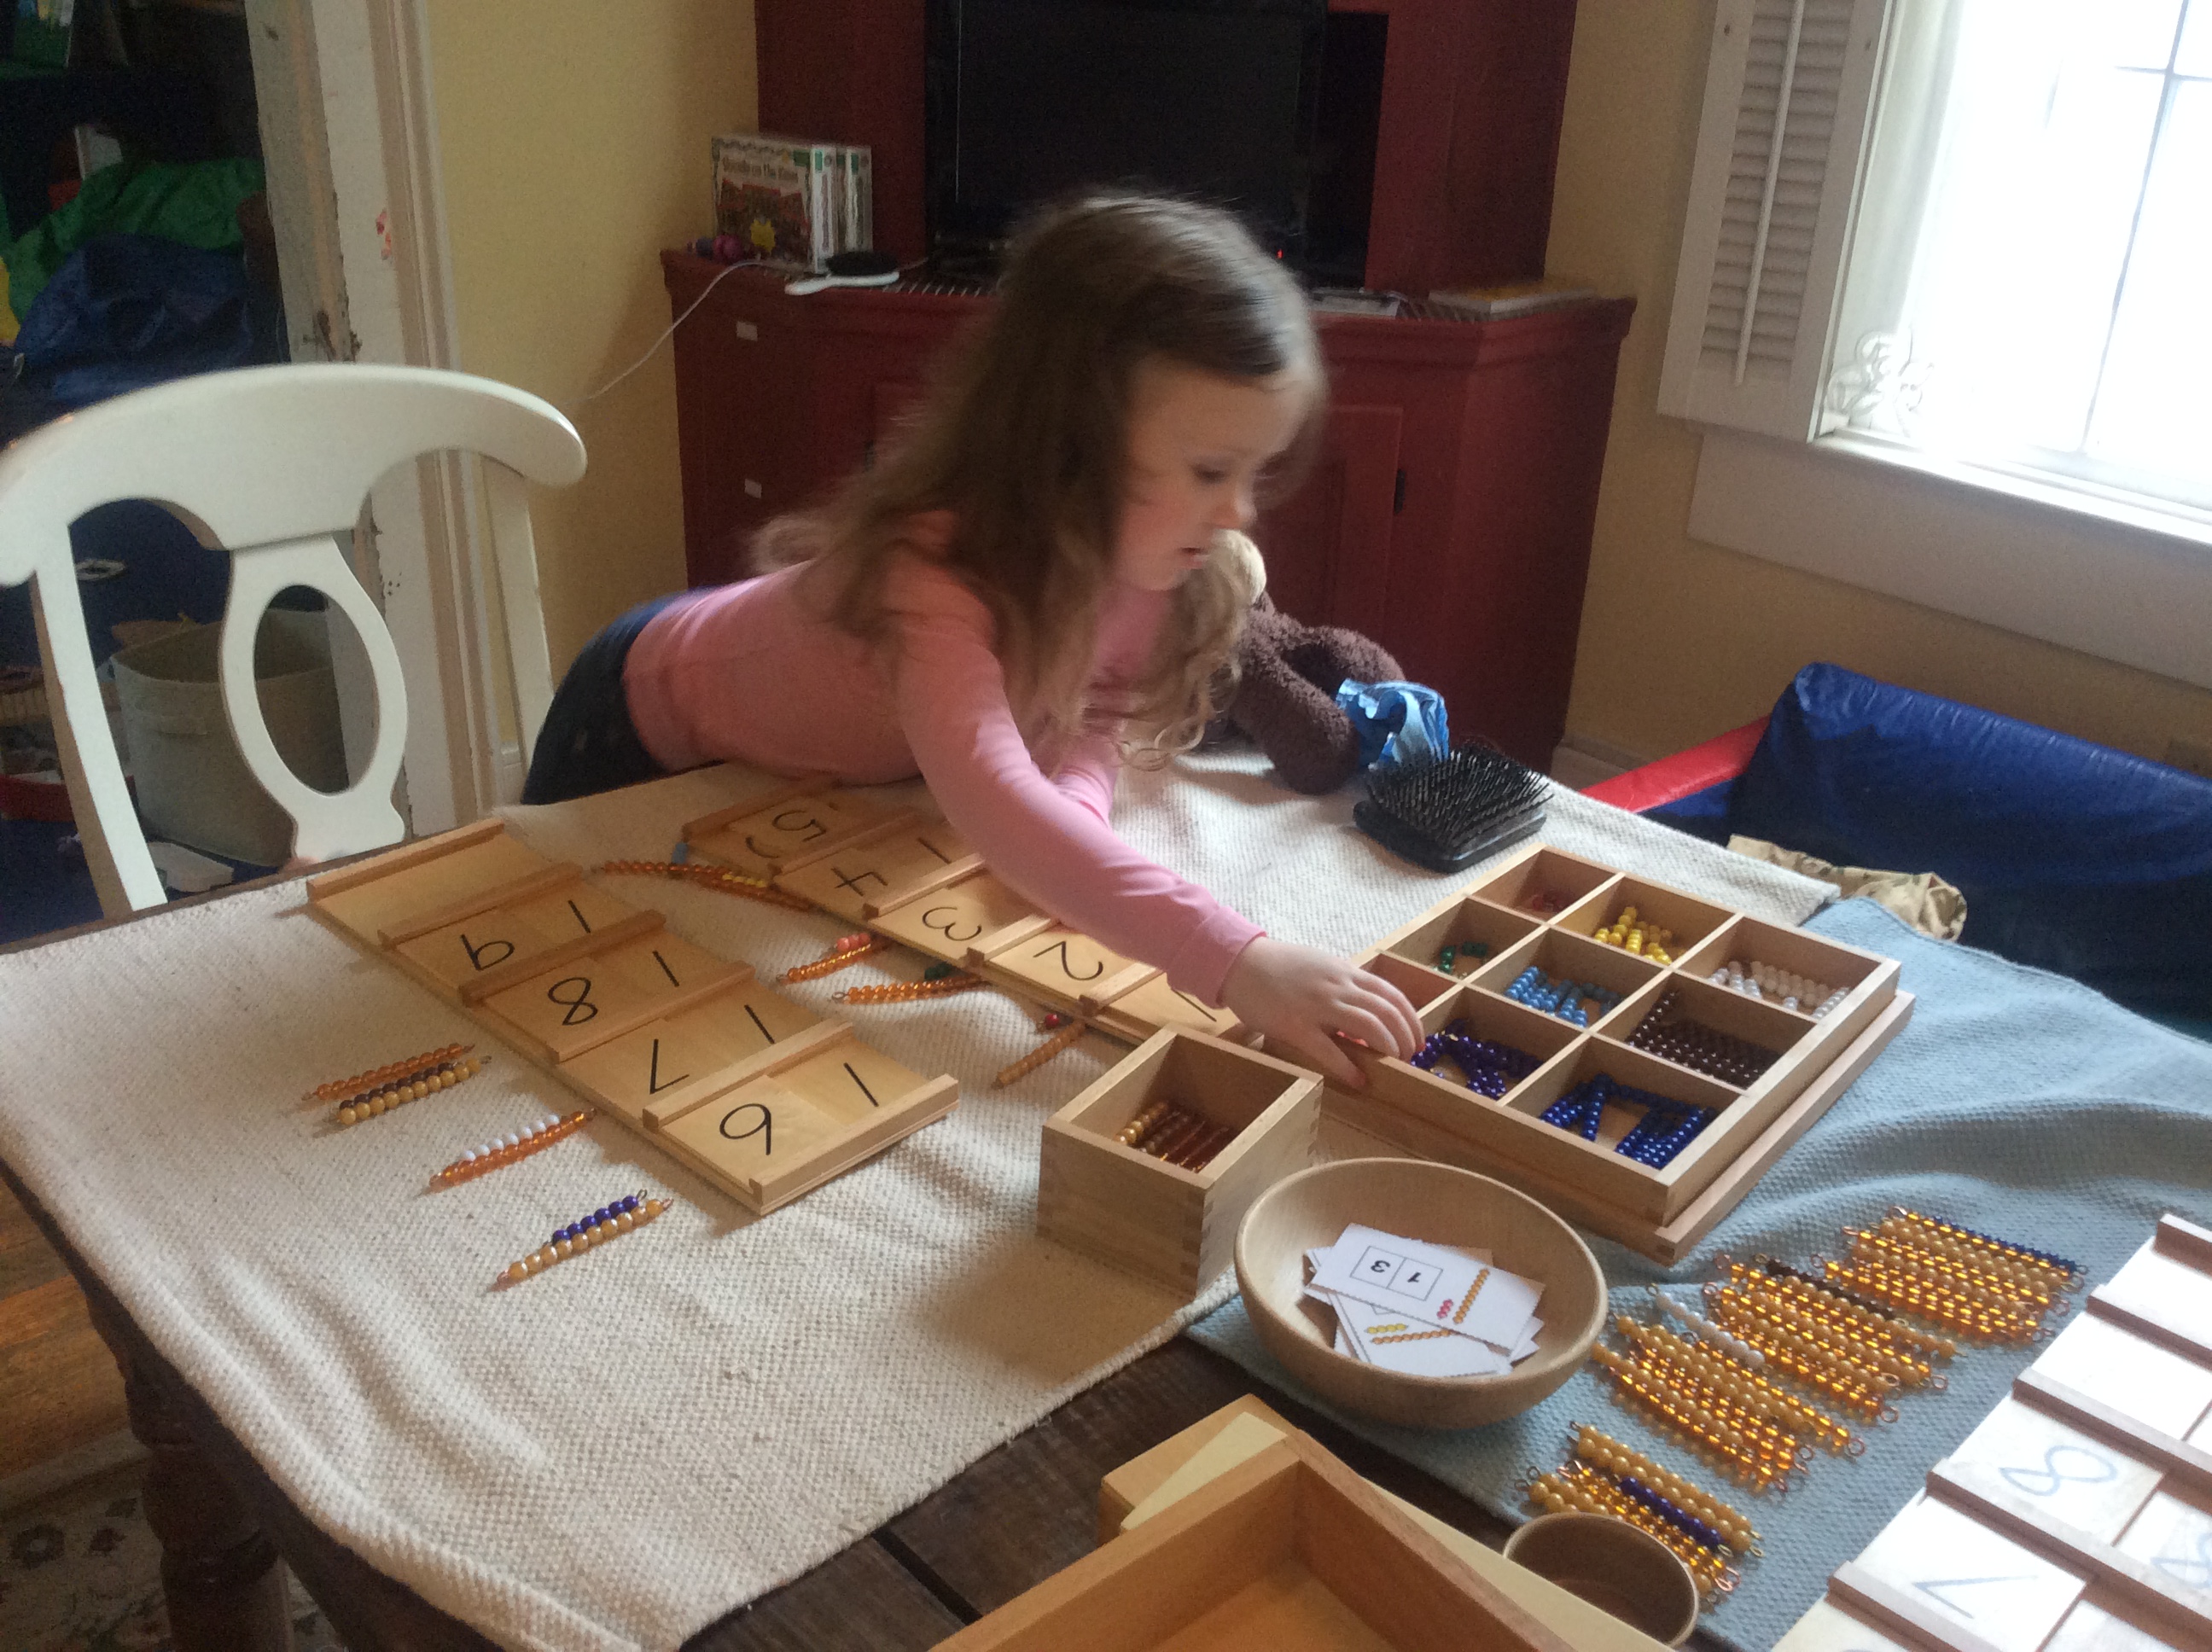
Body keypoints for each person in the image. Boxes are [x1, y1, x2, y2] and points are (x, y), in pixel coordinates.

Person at [523, 193, 1420, 1081]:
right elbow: (997, 807)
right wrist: (1236, 960)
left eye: (1255, 472)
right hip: (631, 707)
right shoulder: (930, 577)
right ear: (1069, 445)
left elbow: (1095, 711)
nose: (1239, 513)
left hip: (781, 748)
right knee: (544, 948)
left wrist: (1075, 822)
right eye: (1211, 471)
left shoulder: (1143, 564)